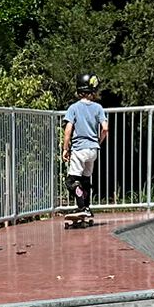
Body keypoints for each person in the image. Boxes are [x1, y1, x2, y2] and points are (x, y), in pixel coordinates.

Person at [61, 76, 108, 220]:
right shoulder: (98, 108)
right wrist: (97, 142)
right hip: (93, 150)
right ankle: (87, 208)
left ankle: (81, 206)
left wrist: (65, 148)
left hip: (79, 149)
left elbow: (68, 130)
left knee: (71, 181)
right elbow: (105, 128)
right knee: (86, 180)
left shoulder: (73, 108)